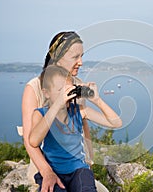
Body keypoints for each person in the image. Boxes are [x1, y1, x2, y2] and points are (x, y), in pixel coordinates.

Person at [29, 65, 122, 191]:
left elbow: (116, 123)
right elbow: (34, 141)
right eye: (60, 90)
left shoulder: (80, 111)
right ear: (46, 93)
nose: (65, 95)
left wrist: (97, 100)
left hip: (78, 170)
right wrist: (56, 106)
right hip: (54, 171)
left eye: (68, 90)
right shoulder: (41, 114)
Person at [21, 31, 94, 191]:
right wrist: (47, 172)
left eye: (81, 56)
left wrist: (88, 165)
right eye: (75, 57)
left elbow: (83, 126)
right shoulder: (34, 88)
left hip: (75, 168)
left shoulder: (78, 86)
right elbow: (30, 141)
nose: (81, 62)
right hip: (44, 167)